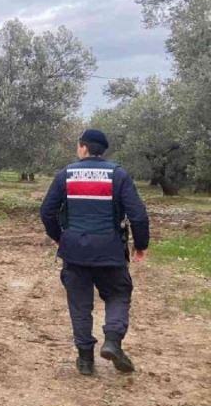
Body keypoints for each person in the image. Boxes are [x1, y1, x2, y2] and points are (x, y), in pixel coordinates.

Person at [40, 129, 149, 376]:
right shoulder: (117, 174)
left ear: (83, 147)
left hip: (74, 252)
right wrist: (140, 245)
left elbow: (47, 211)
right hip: (110, 251)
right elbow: (138, 215)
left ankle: (86, 360)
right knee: (118, 294)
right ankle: (112, 340)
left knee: (79, 305)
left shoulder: (66, 174)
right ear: (103, 150)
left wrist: (61, 238)